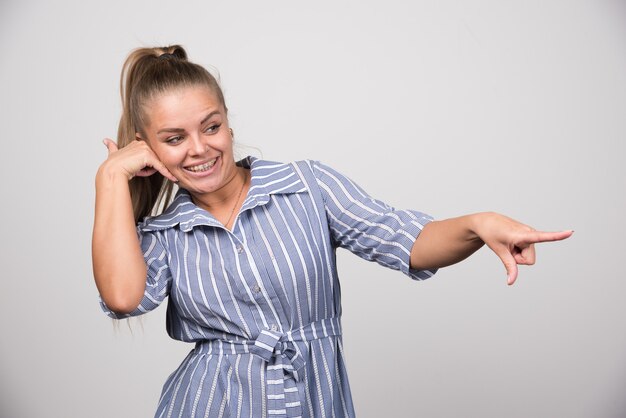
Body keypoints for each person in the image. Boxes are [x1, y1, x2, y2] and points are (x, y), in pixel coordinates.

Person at [93, 44, 573, 418]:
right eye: (174, 139)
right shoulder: (163, 233)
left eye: (210, 127)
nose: (199, 149)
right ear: (147, 148)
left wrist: (477, 223)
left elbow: (406, 241)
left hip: (314, 401)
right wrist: (111, 178)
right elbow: (122, 296)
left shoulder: (307, 186)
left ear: (228, 125)